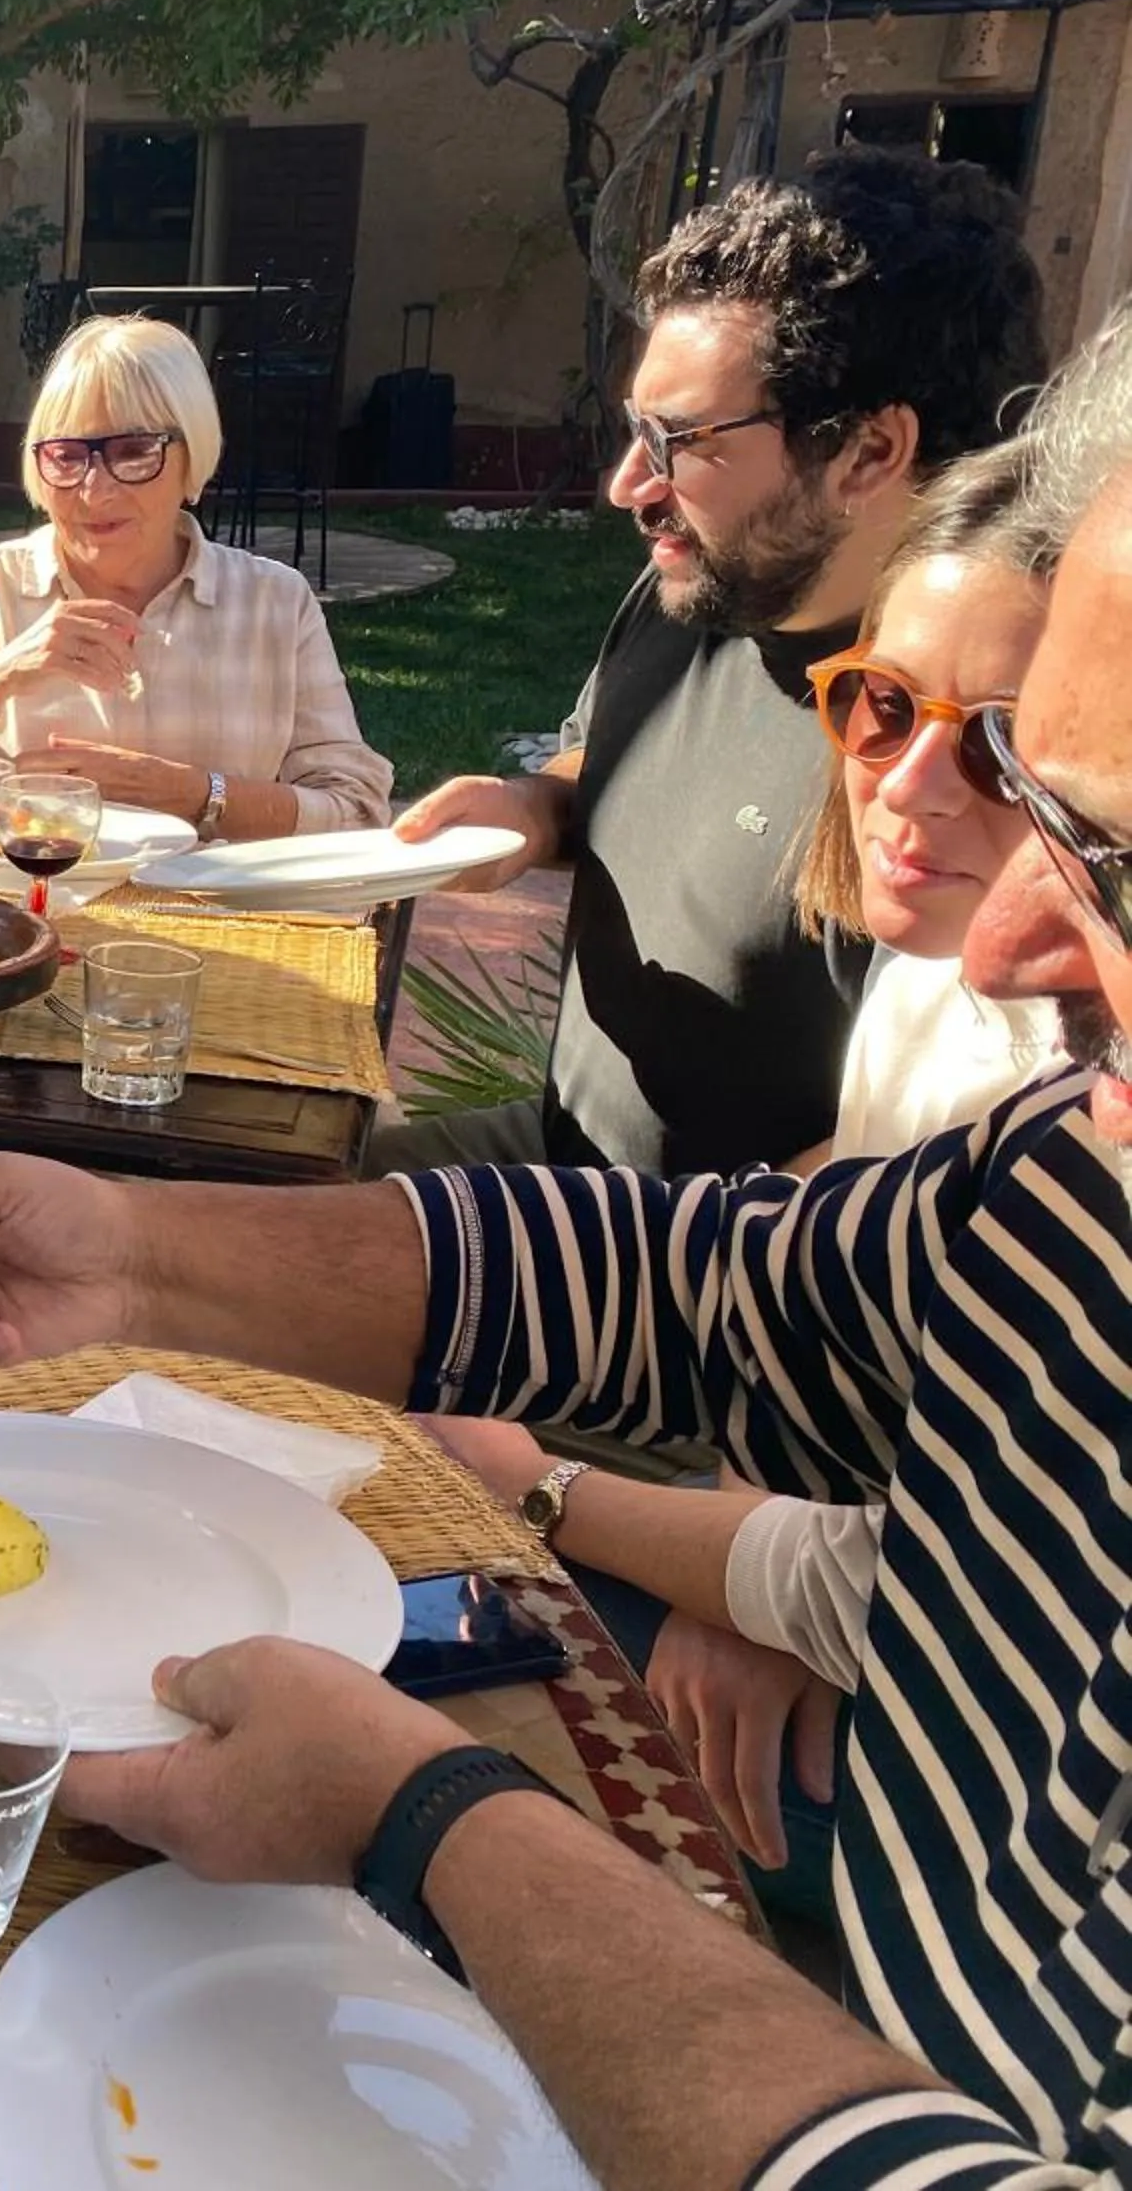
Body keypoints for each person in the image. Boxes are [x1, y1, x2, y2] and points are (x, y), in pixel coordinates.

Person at [0, 306, 1132, 2185]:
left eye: (1096, 849)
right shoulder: (1074, 1179)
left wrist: (419, 1811)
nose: (1008, 945)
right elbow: (709, 1288)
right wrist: (136, 1255)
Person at [424, 436, 1061, 1916]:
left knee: (431, 1746)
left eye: (1008, 747)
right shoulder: (944, 965)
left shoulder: (1064, 1062)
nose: (905, 789)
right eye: (881, 707)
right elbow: (830, 1219)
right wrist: (744, 1507)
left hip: (953, 1746)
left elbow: (904, 1582)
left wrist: (550, 1495)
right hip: (764, 1487)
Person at [381, 146, 1047, 1177]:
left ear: (869, 452)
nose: (626, 485)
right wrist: (530, 808)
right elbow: (594, 765)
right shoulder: (691, 595)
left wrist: (617, 1274)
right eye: (636, 431)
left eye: (680, 440)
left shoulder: (963, 755)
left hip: (709, 1283)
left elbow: (940, 1155)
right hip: (553, 1158)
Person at [0, 313, 391, 836]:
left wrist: (195, 794)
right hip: (21, 927)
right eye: (68, 456)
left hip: (231, 930)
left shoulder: (274, 604)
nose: (96, 490)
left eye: (134, 451)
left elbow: (358, 814)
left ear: (192, 459)